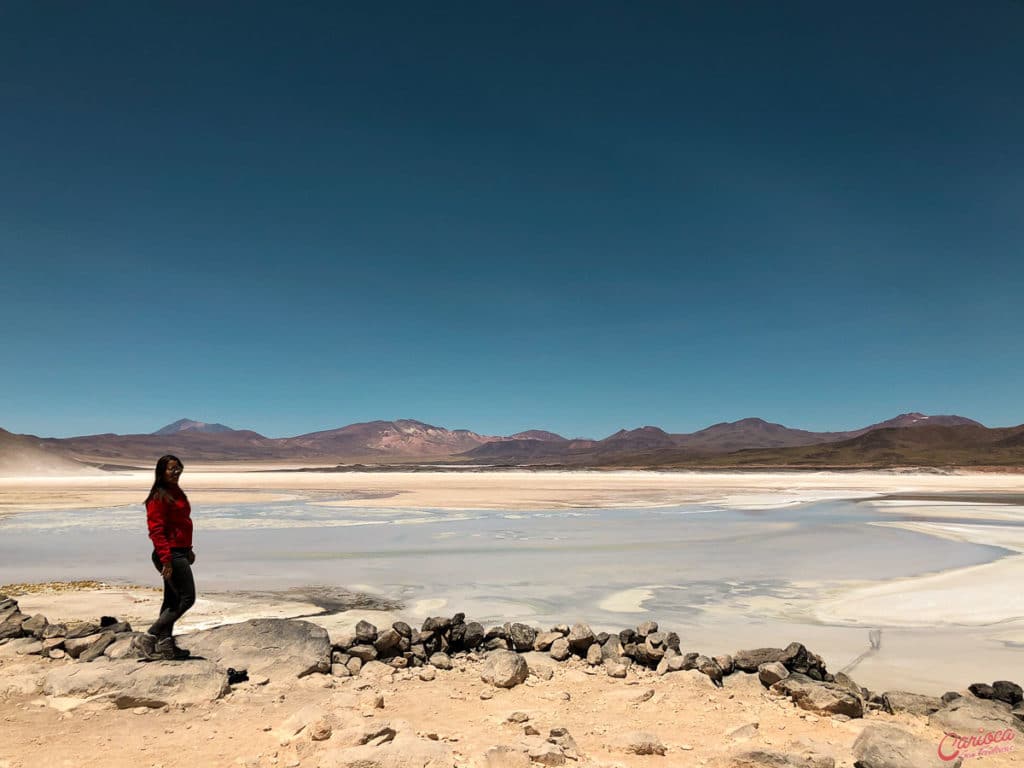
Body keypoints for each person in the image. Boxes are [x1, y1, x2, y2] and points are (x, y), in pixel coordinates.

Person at [140, 454, 196, 660]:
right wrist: (166, 559)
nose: (176, 471)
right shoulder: (158, 496)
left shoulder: (176, 492)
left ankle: (165, 645)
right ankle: (149, 636)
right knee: (187, 598)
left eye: (178, 467)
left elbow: (182, 522)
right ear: (161, 472)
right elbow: (156, 530)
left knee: (172, 600)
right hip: (170, 554)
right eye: (171, 468)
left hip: (179, 551)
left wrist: (188, 547)